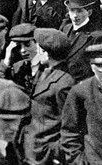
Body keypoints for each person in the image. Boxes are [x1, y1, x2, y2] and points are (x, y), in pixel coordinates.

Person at [21, 28, 75, 165]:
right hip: (33, 146)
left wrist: (55, 150)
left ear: (47, 53)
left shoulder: (64, 82)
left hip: (46, 152)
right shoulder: (45, 72)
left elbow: (70, 123)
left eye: (40, 49)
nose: (37, 52)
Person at [60, 0, 102, 81]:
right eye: (72, 10)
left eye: (80, 11)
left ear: (89, 12)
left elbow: (93, 71)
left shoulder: (96, 36)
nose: (75, 15)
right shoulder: (66, 28)